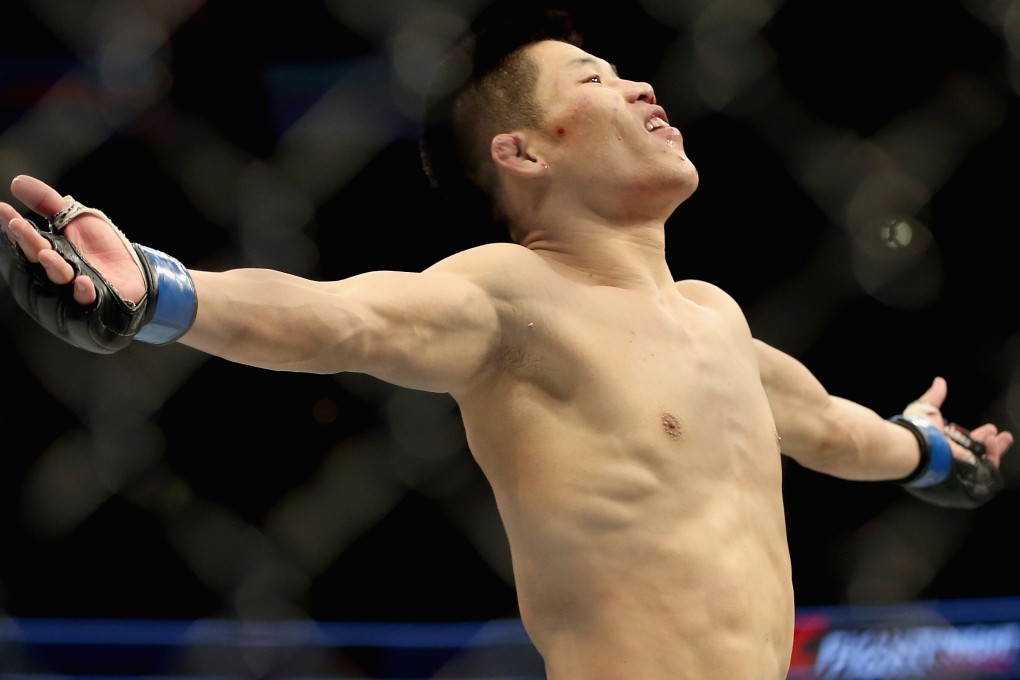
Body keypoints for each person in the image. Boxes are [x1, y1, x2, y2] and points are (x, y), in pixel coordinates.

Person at [0, 6, 1013, 679]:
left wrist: (932, 452)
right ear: (521, 151)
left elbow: (831, 429)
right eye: (595, 79)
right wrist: (162, 291)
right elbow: (345, 317)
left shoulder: (719, 319)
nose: (642, 91)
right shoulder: (514, 293)